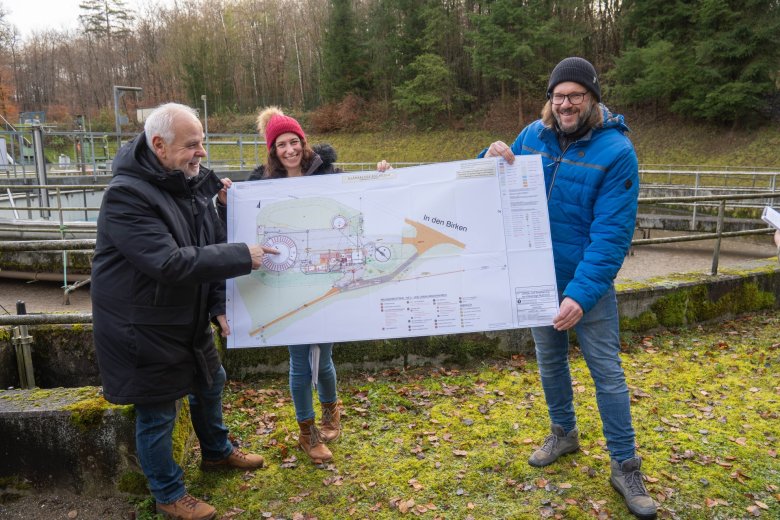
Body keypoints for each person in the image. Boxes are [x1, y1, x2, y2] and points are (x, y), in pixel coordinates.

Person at [481, 57, 656, 519]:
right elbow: (491, 188)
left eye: (575, 95)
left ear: (592, 99)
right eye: (559, 96)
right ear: (550, 100)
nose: (566, 104)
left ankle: (625, 464)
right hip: (537, 279)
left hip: (587, 288)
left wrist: (581, 294)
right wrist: (489, 157)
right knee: (550, 362)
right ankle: (564, 432)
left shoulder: (616, 152)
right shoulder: (531, 136)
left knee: (607, 373)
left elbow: (611, 234)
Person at [92, 103, 277, 520]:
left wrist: (217, 302)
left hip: (182, 318)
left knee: (212, 381)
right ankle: (168, 493)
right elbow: (171, 262)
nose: (202, 153)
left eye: (203, 142)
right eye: (192, 144)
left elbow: (207, 243)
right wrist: (241, 256)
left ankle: (216, 451)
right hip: (141, 328)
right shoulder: (126, 196)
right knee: (157, 412)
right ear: (159, 145)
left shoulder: (186, 184)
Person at [246, 107, 390, 465]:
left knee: (323, 357)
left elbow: (360, 201)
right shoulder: (259, 183)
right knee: (298, 360)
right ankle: (306, 431)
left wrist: (383, 178)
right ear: (272, 150)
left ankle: (331, 411)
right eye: (282, 144)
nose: (290, 150)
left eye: (294, 142)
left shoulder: (327, 173)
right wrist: (225, 200)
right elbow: (239, 220)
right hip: (287, 283)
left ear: (303, 142)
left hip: (327, 280)